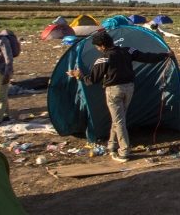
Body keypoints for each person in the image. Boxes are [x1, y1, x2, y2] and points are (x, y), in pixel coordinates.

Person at [68, 31, 174, 162]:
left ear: (102, 46)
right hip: (129, 88)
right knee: (118, 118)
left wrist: (78, 75)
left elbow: (92, 80)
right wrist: (166, 55)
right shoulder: (128, 50)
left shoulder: (103, 58)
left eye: (97, 47)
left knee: (119, 121)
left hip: (114, 91)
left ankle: (124, 151)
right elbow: (147, 57)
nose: (97, 49)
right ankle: (112, 145)